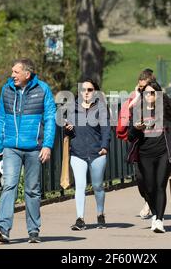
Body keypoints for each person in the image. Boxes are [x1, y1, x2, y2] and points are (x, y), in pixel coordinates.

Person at [0, 58, 56, 244]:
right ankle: (2, 227)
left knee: (32, 190)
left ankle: (33, 230)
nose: (12, 75)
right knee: (9, 185)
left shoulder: (43, 89)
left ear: (27, 74)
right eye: (12, 72)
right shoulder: (6, 90)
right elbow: (1, 119)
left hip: (35, 148)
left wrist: (47, 145)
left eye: (16, 72)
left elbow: (50, 119)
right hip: (11, 148)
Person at [128, 79, 171, 233]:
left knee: (160, 185)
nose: (149, 95)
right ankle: (155, 214)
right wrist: (136, 128)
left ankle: (160, 220)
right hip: (144, 155)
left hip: (164, 154)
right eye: (146, 93)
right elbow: (130, 136)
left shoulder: (165, 111)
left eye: (152, 93)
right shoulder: (138, 111)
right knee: (149, 187)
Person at [64, 79, 111, 230]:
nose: (86, 92)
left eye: (90, 90)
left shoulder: (100, 108)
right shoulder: (72, 108)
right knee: (80, 185)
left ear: (95, 92)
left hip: (97, 152)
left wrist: (105, 146)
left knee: (97, 186)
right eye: (83, 89)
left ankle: (100, 214)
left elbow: (106, 129)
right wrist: (68, 129)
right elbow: (66, 130)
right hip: (78, 152)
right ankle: (80, 219)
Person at [116, 69, 154, 219]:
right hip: (139, 144)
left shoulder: (158, 98)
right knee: (140, 178)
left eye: (145, 88)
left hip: (156, 144)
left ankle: (155, 209)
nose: (142, 90)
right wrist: (136, 98)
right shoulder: (134, 98)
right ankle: (148, 200)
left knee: (155, 178)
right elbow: (123, 122)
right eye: (140, 87)